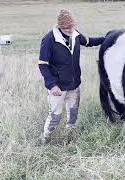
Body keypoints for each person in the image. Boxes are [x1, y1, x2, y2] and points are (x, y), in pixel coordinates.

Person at [38, 9, 105, 144]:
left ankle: (70, 134)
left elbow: (88, 41)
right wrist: (52, 85)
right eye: (67, 27)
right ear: (60, 26)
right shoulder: (49, 40)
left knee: (73, 113)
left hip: (74, 85)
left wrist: (106, 39)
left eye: (72, 26)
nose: (70, 29)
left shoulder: (75, 34)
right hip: (58, 88)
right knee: (55, 116)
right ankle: (45, 139)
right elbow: (43, 64)